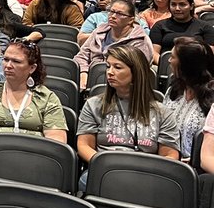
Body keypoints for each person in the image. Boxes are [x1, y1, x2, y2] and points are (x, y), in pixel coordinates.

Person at [77, 45, 180, 189]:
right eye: (108, 66)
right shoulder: (94, 105)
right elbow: (84, 145)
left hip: (146, 175)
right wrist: (105, 165)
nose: (109, 72)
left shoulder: (162, 112)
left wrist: (146, 172)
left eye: (117, 67)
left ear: (136, 73)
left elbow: (170, 154)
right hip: (106, 171)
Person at [0, 38, 67, 167]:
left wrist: (22, 160)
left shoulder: (46, 98)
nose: (8, 65)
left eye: (16, 61)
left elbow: (57, 140)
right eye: (6, 59)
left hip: (32, 163)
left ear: (32, 68)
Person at [74, 0, 153, 88]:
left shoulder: (140, 40)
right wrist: (83, 73)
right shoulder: (99, 31)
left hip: (124, 85)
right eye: (111, 12)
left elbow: (138, 70)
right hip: (91, 79)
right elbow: (81, 56)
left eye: (120, 14)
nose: (113, 16)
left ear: (131, 20)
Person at [163, 37, 214, 160]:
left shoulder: (211, 97)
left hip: (198, 168)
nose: (169, 60)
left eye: (173, 57)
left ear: (187, 65)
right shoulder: (173, 90)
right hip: (168, 160)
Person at [149, 0, 214, 64]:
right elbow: (154, 53)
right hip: (166, 66)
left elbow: (210, 54)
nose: (177, 8)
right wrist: (166, 66)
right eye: (173, 4)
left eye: (182, 4)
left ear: (191, 6)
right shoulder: (159, 26)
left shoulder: (205, 27)